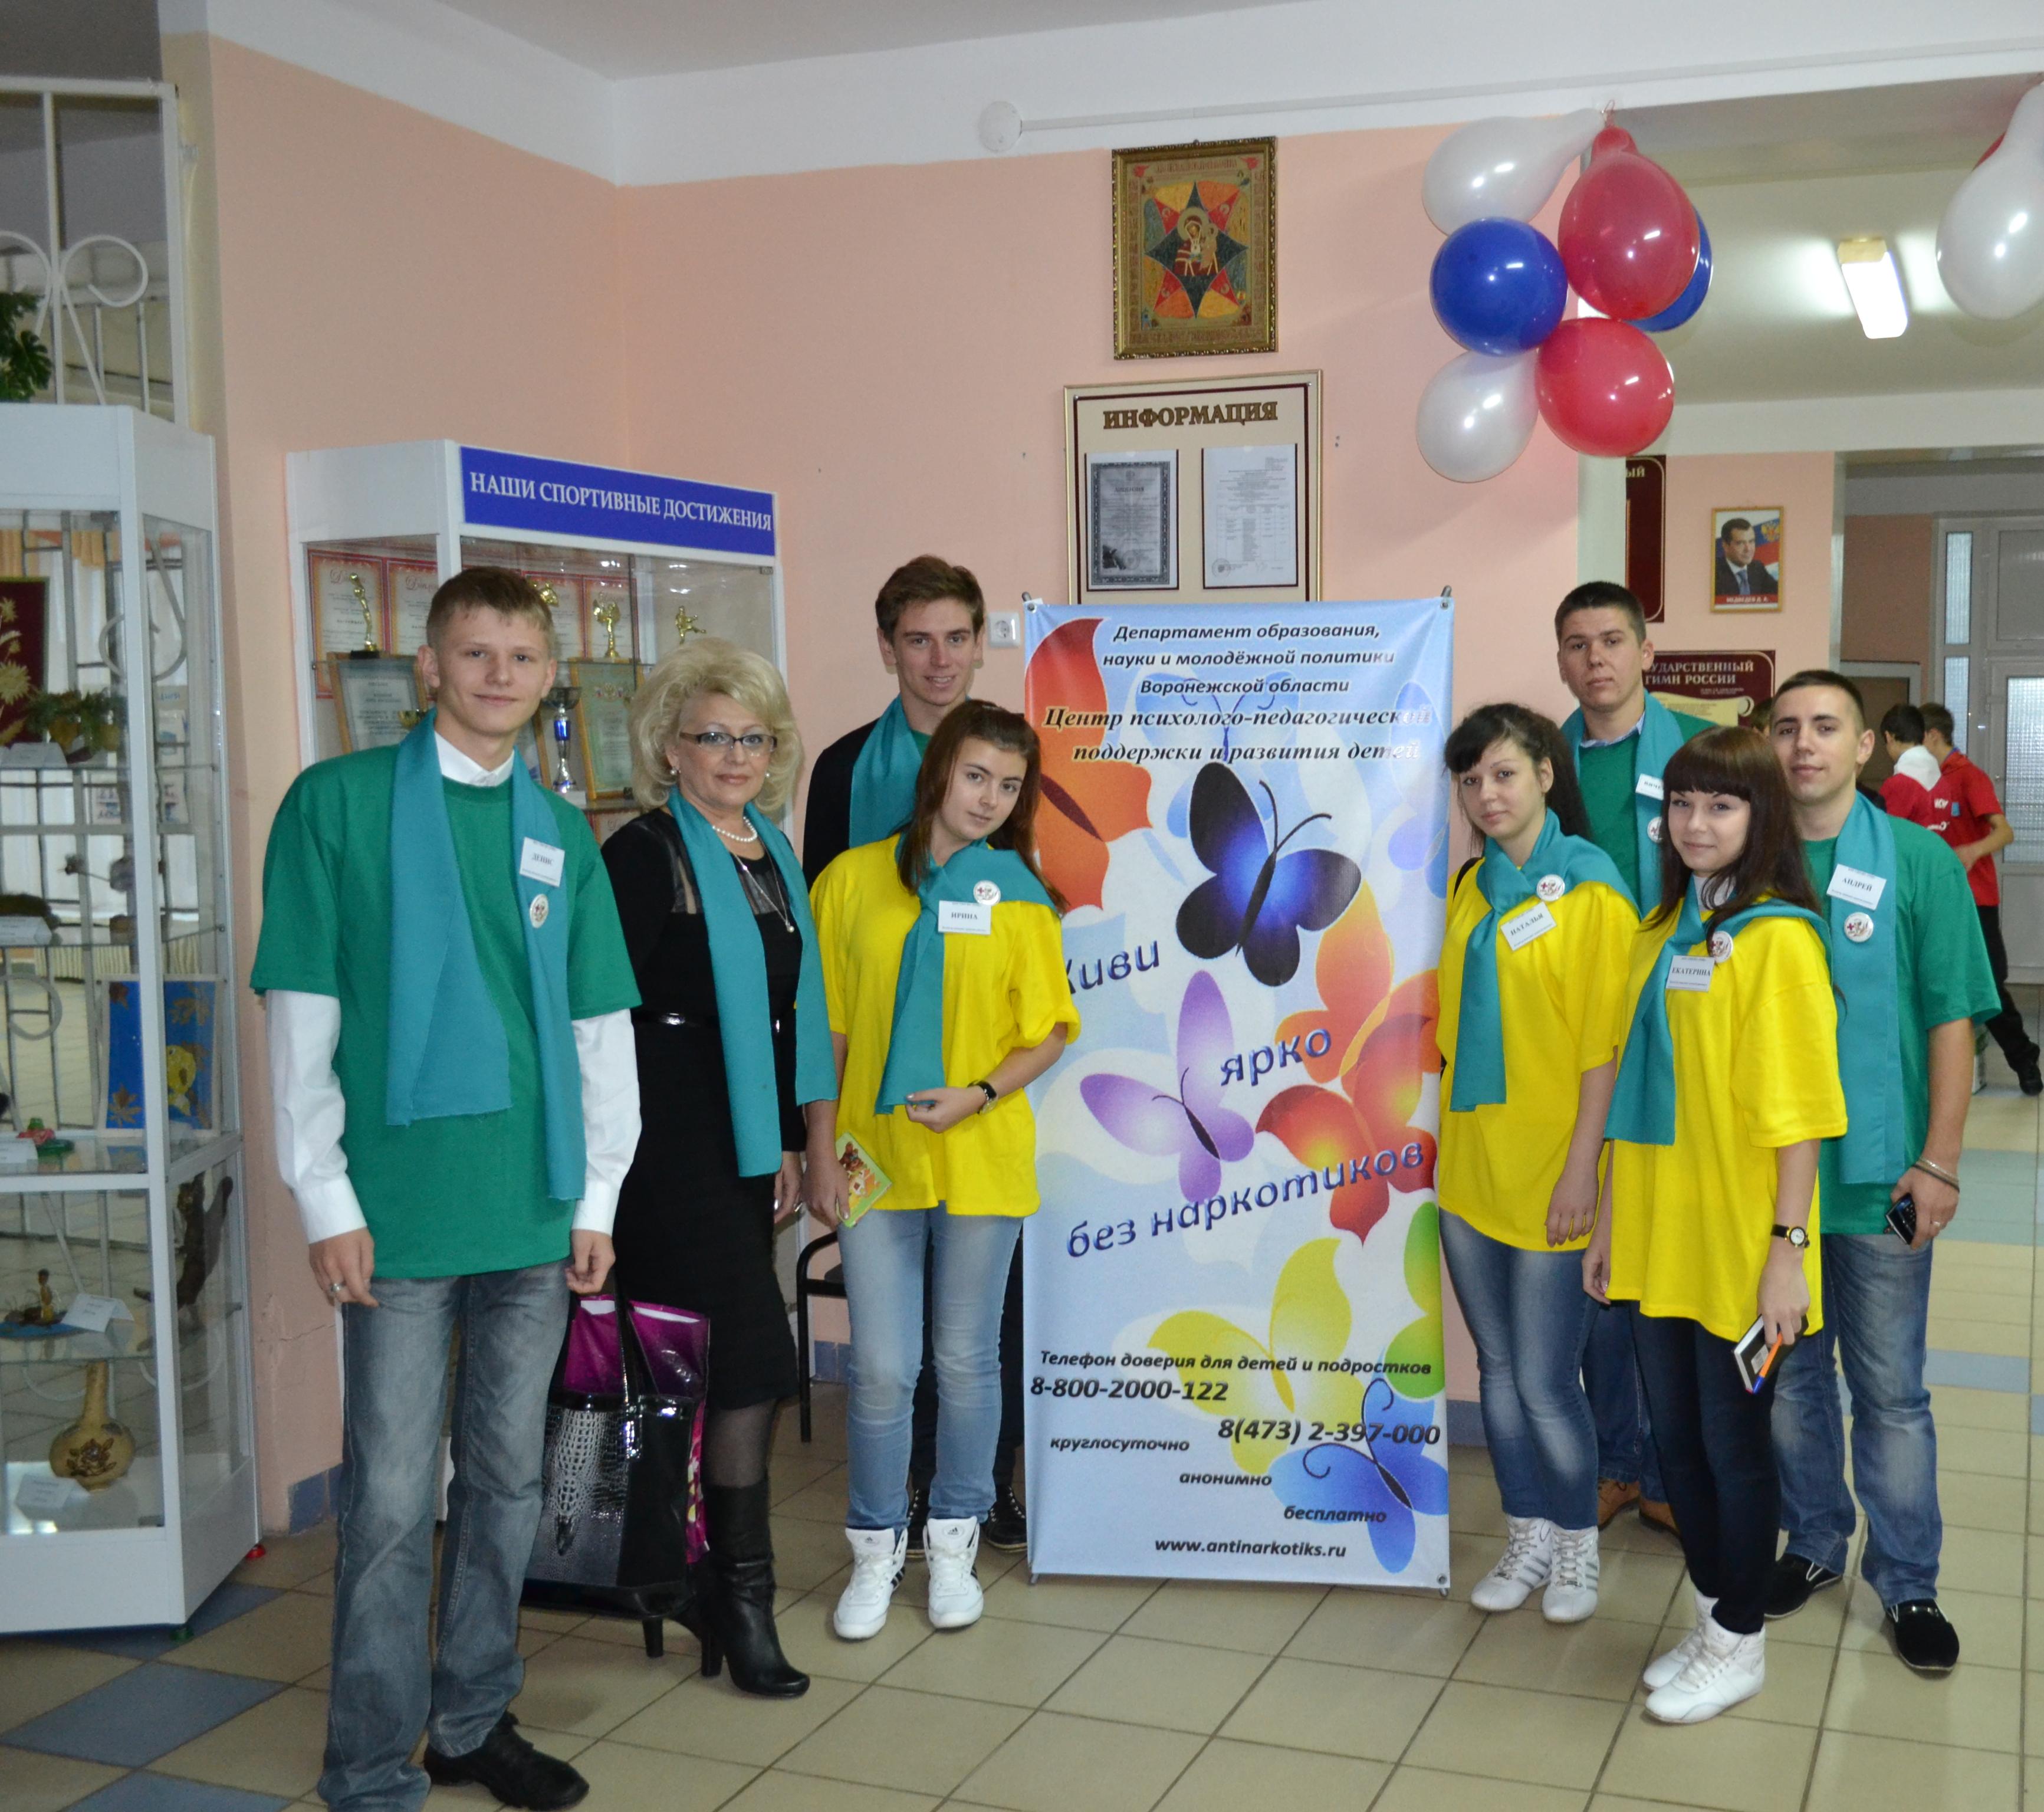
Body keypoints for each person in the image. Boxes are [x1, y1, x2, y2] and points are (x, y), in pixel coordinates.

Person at [253, 568, 642, 1812]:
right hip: (399, 1219)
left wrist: (596, 1200)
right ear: (428, 666)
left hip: (531, 1209)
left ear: (548, 677)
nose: (498, 677)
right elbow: (301, 1014)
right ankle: (370, 1763)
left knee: (508, 1484)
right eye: (474, 654)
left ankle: (472, 1720)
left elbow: (598, 1029)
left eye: (521, 657)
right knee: (383, 1501)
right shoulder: (335, 805)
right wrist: (326, 1199)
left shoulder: (561, 832)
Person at [1590, 725, 1845, 1722]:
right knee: (1678, 1444)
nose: (1695, 823)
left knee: (1734, 1449)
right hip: (1658, 1234)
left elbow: (1800, 1118)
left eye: (1721, 805)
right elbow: (1632, 1095)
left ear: (1760, 815)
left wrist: (1787, 1254)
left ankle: (1741, 1641)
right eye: (1682, 803)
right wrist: (1608, 1224)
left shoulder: (1779, 940)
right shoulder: (1664, 931)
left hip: (1742, 1242)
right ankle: (1711, 1619)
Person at [599, 638, 839, 1697]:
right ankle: (738, 1597)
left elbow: (791, 1016)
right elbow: (594, 1017)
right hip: (663, 1149)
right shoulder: (645, 853)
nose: (736, 756)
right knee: (749, 1363)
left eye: (754, 737)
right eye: (713, 736)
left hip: (742, 1146)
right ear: (669, 747)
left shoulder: (769, 850)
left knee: (703, 1371)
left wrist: (788, 1137)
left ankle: (692, 1576)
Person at [809, 701, 1079, 1639]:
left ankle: (954, 1545)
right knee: (883, 1368)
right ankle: (875, 1549)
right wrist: (816, 1147)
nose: (988, 799)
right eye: (974, 777)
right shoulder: (849, 882)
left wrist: (979, 1093)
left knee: (965, 1362)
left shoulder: (1020, 896)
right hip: (873, 1159)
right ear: (938, 776)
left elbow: (1047, 1030)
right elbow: (826, 1031)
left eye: (1008, 786)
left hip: (979, 1154)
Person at [1763, 672, 1999, 1672]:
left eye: (1825, 726)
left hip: (1881, 1182)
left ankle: (1906, 1579)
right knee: (1790, 1381)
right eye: (1785, 728)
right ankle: (1816, 1540)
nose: (1803, 744)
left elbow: (1951, 1015)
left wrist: (1938, 1161)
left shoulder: (1917, 860)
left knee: (1891, 1392)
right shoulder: (1746, 855)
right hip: (1773, 1187)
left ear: (1865, 746)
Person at [802, 556, 1030, 1556]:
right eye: (917, 639)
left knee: (977, 1327)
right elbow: (821, 955)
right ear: (887, 647)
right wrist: (811, 1128)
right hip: (873, 1104)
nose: (939, 659)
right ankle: (898, 1496)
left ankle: (975, 1496)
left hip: (979, 1095)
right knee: (892, 1341)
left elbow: (1032, 924)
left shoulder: (1012, 760)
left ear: (980, 645)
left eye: (956, 638)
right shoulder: (843, 769)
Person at [1436, 704, 1637, 1623]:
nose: (1486, 795)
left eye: (1504, 774)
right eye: (1470, 780)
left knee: (1547, 1379)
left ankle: (1576, 1547)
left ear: (1546, 776)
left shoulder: (1593, 894)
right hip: (1472, 1168)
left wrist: (1581, 1172)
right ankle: (1525, 1535)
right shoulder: (1470, 890)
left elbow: (1604, 1054)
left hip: (1556, 1170)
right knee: (1498, 1367)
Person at [1553, 580, 1713, 1535]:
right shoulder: (1544, 762)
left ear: (1646, 651)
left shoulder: (1699, 749)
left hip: (1680, 1020)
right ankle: (1617, 1462)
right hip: (1579, 1035)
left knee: (1661, 1249)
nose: (1596, 659)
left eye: (1611, 640)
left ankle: (1667, 1466)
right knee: (1598, 1264)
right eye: (1577, 645)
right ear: (1561, 661)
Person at [1918, 703, 2041, 1094]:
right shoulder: (1918, 780)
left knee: (1988, 984)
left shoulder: (1969, 777)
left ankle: (2024, 1060)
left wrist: (1972, 851)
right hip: (1933, 898)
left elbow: (2005, 832)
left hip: (1975, 899)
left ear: (1932, 736)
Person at [1877, 703, 1945, 829]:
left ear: (1889, 737)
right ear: (1924, 736)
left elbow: (1883, 831)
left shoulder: (1898, 785)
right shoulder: (1944, 779)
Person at [1713, 518, 1779, 602]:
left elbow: (1778, 595)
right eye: (1740, 543)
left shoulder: (1757, 568)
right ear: (1726, 546)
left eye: (1751, 541)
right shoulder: (1714, 572)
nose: (1748, 549)